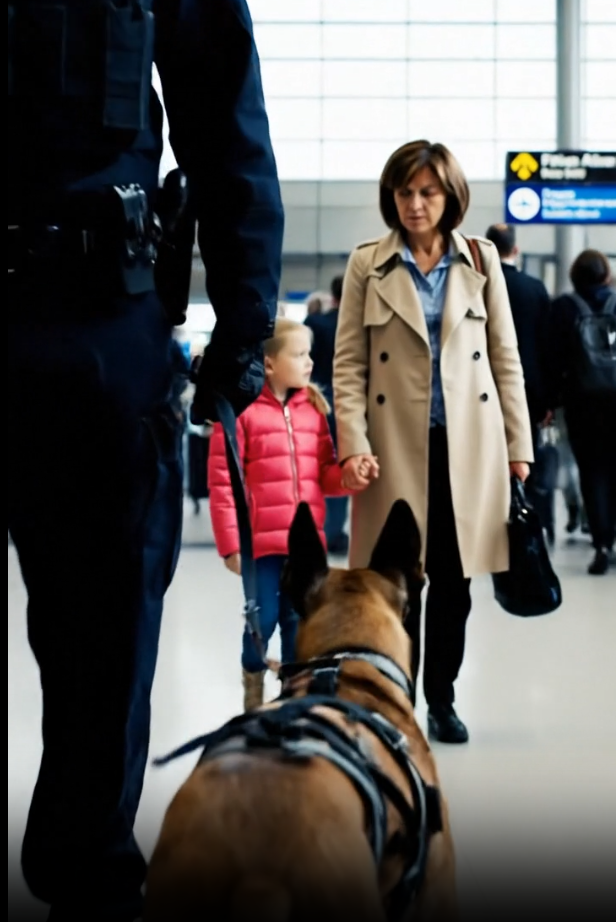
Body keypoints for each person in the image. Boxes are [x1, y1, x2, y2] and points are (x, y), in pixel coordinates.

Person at [7, 2, 284, 920]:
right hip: (92, 331)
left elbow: (224, 122)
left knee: (104, 646)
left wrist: (246, 326)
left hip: (103, 325)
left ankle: (87, 888)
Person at [333, 140, 533, 745]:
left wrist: (518, 446)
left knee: (454, 584)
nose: (415, 205)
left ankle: (441, 698)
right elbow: (348, 364)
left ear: (450, 196)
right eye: (404, 193)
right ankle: (397, 700)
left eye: (427, 192)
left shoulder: (481, 260)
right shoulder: (367, 264)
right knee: (396, 586)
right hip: (392, 451)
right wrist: (351, 443)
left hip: (467, 451)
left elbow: (505, 357)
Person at [207, 319, 355, 711]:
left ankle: (295, 696)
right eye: (300, 354)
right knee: (264, 620)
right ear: (270, 363)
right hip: (261, 546)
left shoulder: (315, 411)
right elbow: (223, 484)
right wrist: (230, 545)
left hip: (305, 545)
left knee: (298, 623)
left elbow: (325, 474)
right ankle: (253, 690)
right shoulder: (240, 415)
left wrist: (349, 478)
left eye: (309, 354)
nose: (310, 362)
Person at [546, 249, 616, 575]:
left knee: (593, 473)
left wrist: (549, 401)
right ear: (606, 275)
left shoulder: (563, 308)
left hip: (582, 404)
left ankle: (601, 543)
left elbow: (553, 361)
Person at [485, 223, 554, 539]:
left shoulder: (477, 286)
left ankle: (488, 524)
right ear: (515, 250)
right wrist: (548, 400)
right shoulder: (534, 288)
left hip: (480, 390)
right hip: (528, 392)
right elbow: (545, 346)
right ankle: (531, 522)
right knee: (527, 461)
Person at [305, 275, 350, 554]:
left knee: (312, 469)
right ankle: (333, 533)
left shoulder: (315, 324)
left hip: (316, 402)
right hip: (348, 406)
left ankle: (313, 530)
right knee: (341, 469)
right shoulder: (356, 326)